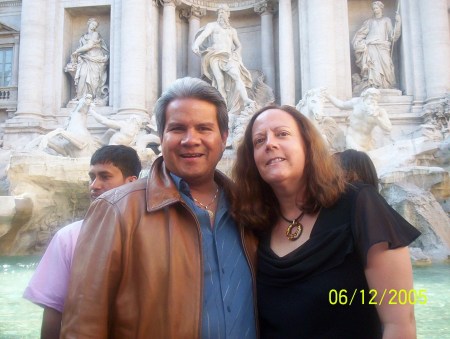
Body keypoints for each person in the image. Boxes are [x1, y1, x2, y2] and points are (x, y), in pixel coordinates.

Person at [61, 77, 258, 338]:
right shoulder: (115, 209)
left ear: (223, 137)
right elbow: (84, 323)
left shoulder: (249, 209)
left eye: (203, 128)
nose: (191, 139)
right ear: (161, 137)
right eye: (177, 129)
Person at [231, 105, 421, 338]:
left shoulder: (359, 205)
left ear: (308, 146)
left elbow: (400, 324)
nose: (269, 143)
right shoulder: (255, 223)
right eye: (259, 141)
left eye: (282, 134)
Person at [23, 145, 141, 339]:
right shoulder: (68, 236)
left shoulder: (153, 232)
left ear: (131, 182)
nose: (94, 185)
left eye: (105, 176)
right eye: (92, 177)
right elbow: (53, 309)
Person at [192, 4, 254, 112]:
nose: (221, 14)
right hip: (215, 56)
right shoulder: (212, 26)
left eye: (223, 12)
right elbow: (203, 36)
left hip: (229, 57)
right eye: (219, 12)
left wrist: (236, 54)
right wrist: (196, 45)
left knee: (236, 76)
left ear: (228, 14)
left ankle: (246, 99)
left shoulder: (232, 30)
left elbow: (238, 45)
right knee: (219, 81)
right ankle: (223, 106)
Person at [353, 1, 401, 90]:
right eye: (374, 8)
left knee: (386, 65)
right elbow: (361, 34)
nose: (375, 10)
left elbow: (392, 36)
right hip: (371, 46)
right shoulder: (369, 22)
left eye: (377, 8)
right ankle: (374, 85)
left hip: (383, 46)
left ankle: (386, 85)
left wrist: (398, 23)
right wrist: (358, 42)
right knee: (373, 66)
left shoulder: (387, 20)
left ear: (381, 8)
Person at [326, 87, 392, 151]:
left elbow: (388, 128)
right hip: (351, 140)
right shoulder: (356, 102)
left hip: (367, 145)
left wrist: (376, 117)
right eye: (370, 96)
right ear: (365, 96)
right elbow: (341, 105)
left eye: (375, 97)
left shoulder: (380, 112)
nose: (372, 99)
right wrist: (328, 96)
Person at [70, 17, 109, 103]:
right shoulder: (83, 37)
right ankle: (79, 97)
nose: (93, 26)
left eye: (95, 25)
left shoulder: (95, 34)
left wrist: (76, 51)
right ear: (89, 24)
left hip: (96, 59)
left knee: (94, 80)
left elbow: (89, 46)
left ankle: (91, 97)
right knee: (83, 75)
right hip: (86, 58)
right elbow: (82, 47)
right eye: (92, 24)